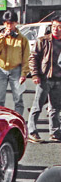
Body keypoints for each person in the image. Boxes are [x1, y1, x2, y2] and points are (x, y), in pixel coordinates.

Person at [26, 13, 61, 143]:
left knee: (55, 108)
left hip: (59, 79)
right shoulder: (43, 40)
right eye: (54, 26)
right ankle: (32, 131)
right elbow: (33, 58)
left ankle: (55, 132)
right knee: (37, 106)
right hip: (45, 77)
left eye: (59, 27)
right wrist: (35, 74)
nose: (55, 29)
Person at [0, 11, 30, 116]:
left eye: (11, 23)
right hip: (1, 69)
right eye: (7, 23)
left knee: (18, 98)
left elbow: (26, 57)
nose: (9, 26)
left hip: (16, 69)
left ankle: (18, 119)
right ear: (3, 24)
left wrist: (24, 74)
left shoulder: (22, 39)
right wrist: (2, 37)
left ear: (16, 23)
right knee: (0, 98)